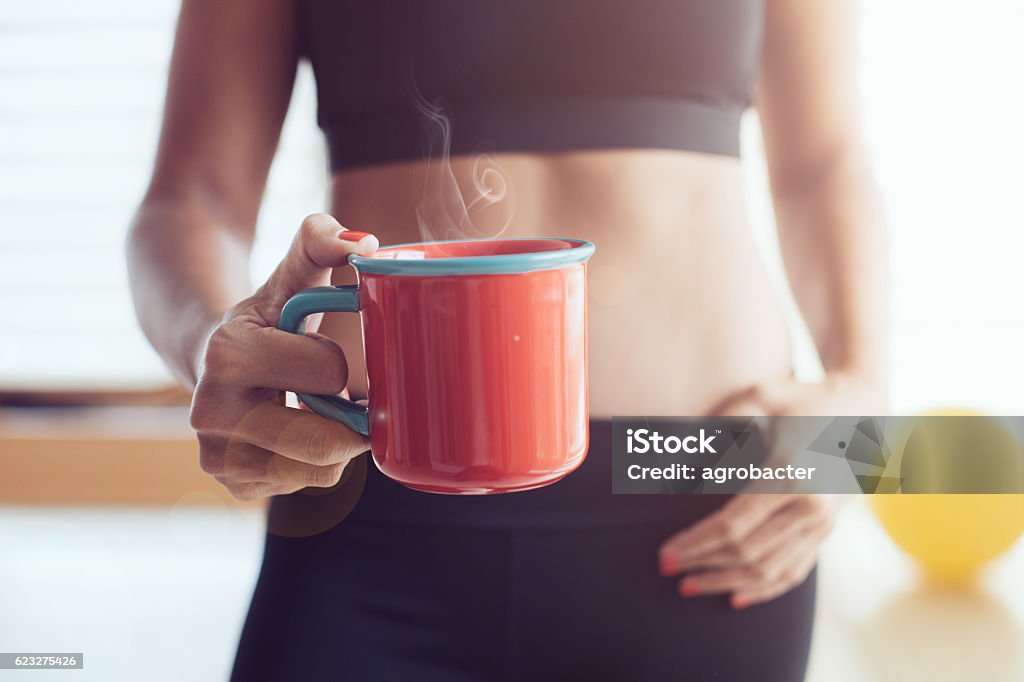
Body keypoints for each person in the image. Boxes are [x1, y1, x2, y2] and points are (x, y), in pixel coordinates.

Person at [127, 0, 887, 679]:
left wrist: (860, 404)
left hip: (703, 493)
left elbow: (824, 162)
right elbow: (192, 197)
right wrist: (211, 350)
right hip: (361, 502)